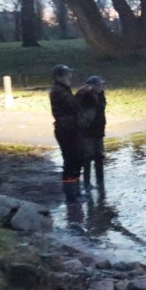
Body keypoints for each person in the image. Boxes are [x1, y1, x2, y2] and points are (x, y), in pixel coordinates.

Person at [49, 64, 83, 202]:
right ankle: (71, 196)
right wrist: (81, 93)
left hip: (71, 129)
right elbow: (73, 105)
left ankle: (76, 192)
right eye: (66, 74)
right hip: (65, 130)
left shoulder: (63, 89)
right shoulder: (58, 91)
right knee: (70, 161)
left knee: (76, 160)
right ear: (59, 77)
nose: (70, 76)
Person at [76, 75, 107, 191]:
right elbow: (77, 109)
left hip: (99, 130)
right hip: (87, 131)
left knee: (99, 156)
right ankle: (87, 183)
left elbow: (101, 111)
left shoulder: (101, 95)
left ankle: (100, 182)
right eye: (98, 85)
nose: (100, 87)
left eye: (101, 85)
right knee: (87, 157)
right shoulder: (83, 95)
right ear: (90, 86)